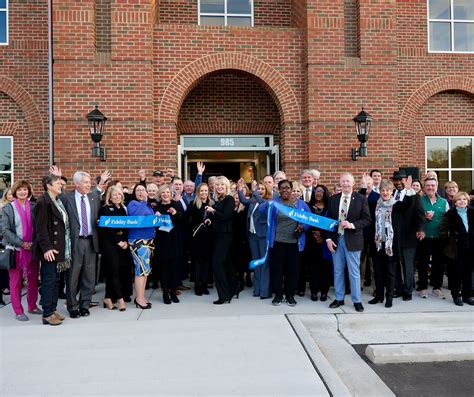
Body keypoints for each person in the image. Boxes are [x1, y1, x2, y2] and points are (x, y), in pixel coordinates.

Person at [326, 173, 371, 312]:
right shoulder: (333, 199)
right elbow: (328, 221)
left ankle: (356, 300)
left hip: (353, 239)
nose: (345, 184)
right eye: (343, 181)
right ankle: (339, 298)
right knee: (338, 271)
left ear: (353, 183)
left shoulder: (360, 199)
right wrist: (328, 239)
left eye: (348, 181)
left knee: (354, 272)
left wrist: (352, 225)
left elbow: (367, 219)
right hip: (336, 240)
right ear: (340, 183)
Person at [62, 171, 105, 318]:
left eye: (89, 182)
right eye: (86, 182)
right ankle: (72, 306)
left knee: (89, 276)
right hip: (76, 242)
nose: (89, 185)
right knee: (73, 276)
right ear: (76, 184)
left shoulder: (94, 198)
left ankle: (85, 304)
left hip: (91, 241)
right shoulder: (66, 198)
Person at [33, 174, 70, 325]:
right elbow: (40, 228)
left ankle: (53, 309)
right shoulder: (43, 202)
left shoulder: (57, 201)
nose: (60, 185)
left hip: (58, 247)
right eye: (57, 183)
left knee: (55, 280)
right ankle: (47, 314)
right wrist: (47, 248)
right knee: (48, 281)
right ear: (48, 185)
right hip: (49, 249)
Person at [2, 180, 41, 321]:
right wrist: (22, 243)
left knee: (33, 280)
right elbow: (5, 231)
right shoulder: (8, 208)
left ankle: (33, 306)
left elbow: (39, 229)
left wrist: (34, 243)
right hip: (15, 250)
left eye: (25, 189)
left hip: (32, 249)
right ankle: (18, 310)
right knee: (16, 281)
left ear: (29, 191)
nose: (22, 192)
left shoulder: (34, 206)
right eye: (19, 190)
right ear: (15, 192)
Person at [268, 180, 310, 306]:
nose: (285, 190)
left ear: (291, 189)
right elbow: (261, 209)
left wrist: (303, 226)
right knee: (277, 270)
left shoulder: (300, 204)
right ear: (279, 190)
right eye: (282, 188)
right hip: (277, 242)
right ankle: (278, 295)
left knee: (293, 270)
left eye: (287, 188)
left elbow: (310, 220)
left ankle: (290, 295)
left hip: (294, 243)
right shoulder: (275, 203)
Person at [98, 186, 133, 311]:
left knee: (118, 270)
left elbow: (125, 227)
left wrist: (125, 241)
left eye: (119, 194)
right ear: (110, 197)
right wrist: (118, 242)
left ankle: (108, 297)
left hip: (122, 243)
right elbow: (108, 229)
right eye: (114, 195)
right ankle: (120, 299)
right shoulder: (105, 209)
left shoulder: (123, 209)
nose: (117, 196)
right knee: (114, 271)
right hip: (110, 244)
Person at [237, 179, 272, 299]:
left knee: (264, 263)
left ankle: (264, 291)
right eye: (259, 188)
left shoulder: (267, 202)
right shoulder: (252, 201)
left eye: (263, 189)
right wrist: (241, 188)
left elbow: (262, 203)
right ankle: (257, 290)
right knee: (256, 263)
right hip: (252, 236)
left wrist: (254, 191)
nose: (260, 191)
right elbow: (242, 200)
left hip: (263, 236)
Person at [205, 176, 237, 304]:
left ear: (226, 187)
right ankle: (233, 289)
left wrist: (212, 211)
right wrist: (210, 219)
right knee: (227, 263)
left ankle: (224, 295)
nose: (219, 187)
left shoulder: (229, 199)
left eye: (222, 185)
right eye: (217, 185)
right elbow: (219, 217)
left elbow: (226, 216)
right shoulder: (219, 200)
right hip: (219, 234)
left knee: (217, 264)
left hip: (225, 235)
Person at [439, 192, 474, 306]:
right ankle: (456, 295)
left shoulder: (472, 212)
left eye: (464, 199)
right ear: (455, 202)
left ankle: (467, 296)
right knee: (457, 273)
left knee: (468, 273)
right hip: (456, 248)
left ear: (468, 201)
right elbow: (442, 230)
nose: (462, 201)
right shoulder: (450, 214)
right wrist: (448, 242)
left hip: (470, 247)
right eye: (459, 199)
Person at [418, 177, 449, 299]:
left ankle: (437, 287)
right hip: (423, 237)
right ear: (424, 188)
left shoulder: (444, 202)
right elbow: (414, 218)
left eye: (432, 185)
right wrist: (423, 218)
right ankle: (423, 287)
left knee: (439, 263)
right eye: (428, 186)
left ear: (436, 187)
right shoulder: (419, 201)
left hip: (439, 238)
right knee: (422, 263)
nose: (430, 187)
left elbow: (447, 220)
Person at [127, 184, 155, 309]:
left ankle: (141, 296)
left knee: (145, 271)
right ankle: (139, 298)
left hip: (149, 240)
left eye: (143, 190)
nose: (141, 192)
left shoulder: (148, 205)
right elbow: (137, 217)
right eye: (138, 190)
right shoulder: (133, 203)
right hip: (137, 240)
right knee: (140, 270)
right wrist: (144, 202)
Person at [155, 184, 183, 304]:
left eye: (167, 192)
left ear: (171, 194)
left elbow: (183, 219)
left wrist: (176, 213)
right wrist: (155, 218)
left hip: (174, 241)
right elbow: (153, 226)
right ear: (160, 195)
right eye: (163, 193)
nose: (165, 194)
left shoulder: (176, 205)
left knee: (174, 268)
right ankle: (165, 293)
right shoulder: (156, 208)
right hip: (162, 242)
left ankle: (173, 292)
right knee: (164, 269)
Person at [307, 184, 332, 302]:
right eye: (316, 191)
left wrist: (322, 235)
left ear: (325, 193)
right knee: (313, 268)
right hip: (312, 242)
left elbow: (332, 224)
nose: (318, 193)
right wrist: (315, 233)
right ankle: (313, 291)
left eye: (321, 191)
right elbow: (305, 221)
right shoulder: (308, 206)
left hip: (325, 242)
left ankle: (324, 292)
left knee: (325, 268)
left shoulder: (329, 207)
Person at [189, 183, 214, 296]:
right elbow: (188, 220)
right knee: (197, 261)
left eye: (206, 191)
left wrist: (211, 220)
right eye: (202, 191)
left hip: (208, 237)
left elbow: (216, 219)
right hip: (197, 237)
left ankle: (204, 284)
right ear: (198, 192)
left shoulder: (213, 204)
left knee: (206, 261)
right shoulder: (193, 204)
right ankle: (197, 285)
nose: (204, 193)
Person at [0, 187, 14, 305]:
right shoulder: (3, 207)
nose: (11, 196)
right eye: (9, 194)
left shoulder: (16, 206)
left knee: (6, 267)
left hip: (9, 242)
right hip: (3, 241)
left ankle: (6, 287)